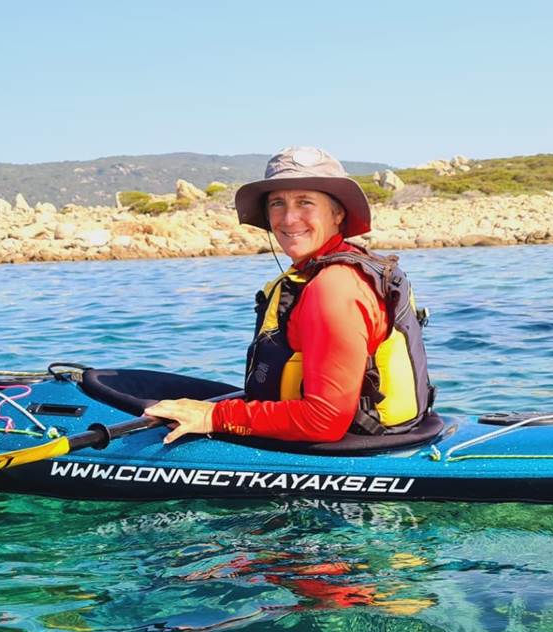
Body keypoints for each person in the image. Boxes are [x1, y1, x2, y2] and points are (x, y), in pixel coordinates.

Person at [145, 146, 434, 443]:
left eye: (305, 202)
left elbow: (324, 420)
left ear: (337, 214)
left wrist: (213, 417)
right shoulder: (321, 272)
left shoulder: (334, 287)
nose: (289, 218)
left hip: (353, 446)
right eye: (277, 204)